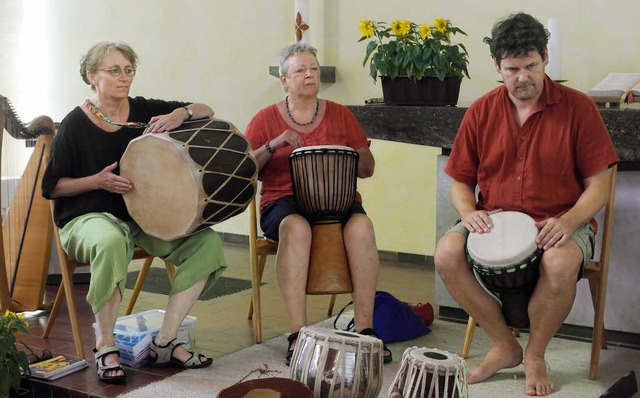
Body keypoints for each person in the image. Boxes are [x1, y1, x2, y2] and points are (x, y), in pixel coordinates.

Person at [433, 13, 618, 397]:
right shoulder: (481, 111)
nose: (523, 77)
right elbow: (461, 182)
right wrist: (469, 213)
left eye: (531, 65)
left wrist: (568, 222)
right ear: (497, 67)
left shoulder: (579, 108)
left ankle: (534, 354)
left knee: (561, 260)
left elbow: (599, 185)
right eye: (512, 68)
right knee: (446, 253)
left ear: (546, 58)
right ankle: (504, 345)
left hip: (562, 219)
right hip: (494, 217)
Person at [41, 41, 227, 384]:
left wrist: (179, 114)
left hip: (141, 220)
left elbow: (206, 109)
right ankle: (105, 346)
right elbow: (52, 187)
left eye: (128, 70)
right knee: (111, 240)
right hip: (86, 219)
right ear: (91, 76)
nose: (123, 77)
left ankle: (166, 341)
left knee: (207, 243)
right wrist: (97, 181)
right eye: (114, 70)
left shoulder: (145, 109)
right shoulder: (74, 124)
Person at [244, 42, 391, 365]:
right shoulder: (265, 119)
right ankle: (299, 333)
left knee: (362, 226)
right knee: (296, 228)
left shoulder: (340, 114)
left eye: (313, 69)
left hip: (338, 202)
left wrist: (356, 152)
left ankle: (366, 329)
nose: (309, 75)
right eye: (300, 70)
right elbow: (245, 170)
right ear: (284, 80)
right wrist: (273, 144)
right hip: (283, 202)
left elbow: (367, 169)